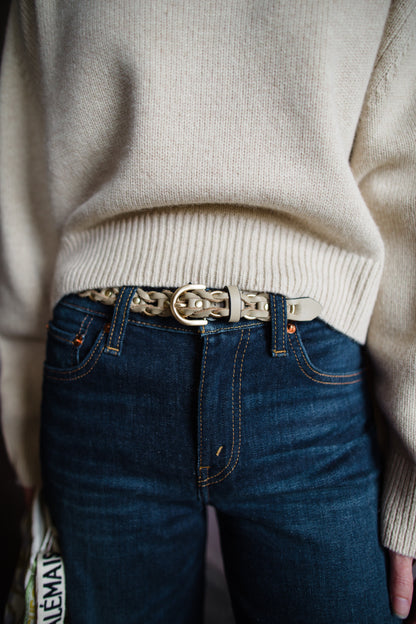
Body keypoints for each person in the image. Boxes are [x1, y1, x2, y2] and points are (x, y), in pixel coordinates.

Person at [0, 1, 415, 622]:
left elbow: (403, 185)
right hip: (99, 376)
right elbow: (21, 176)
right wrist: (21, 427)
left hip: (305, 380)